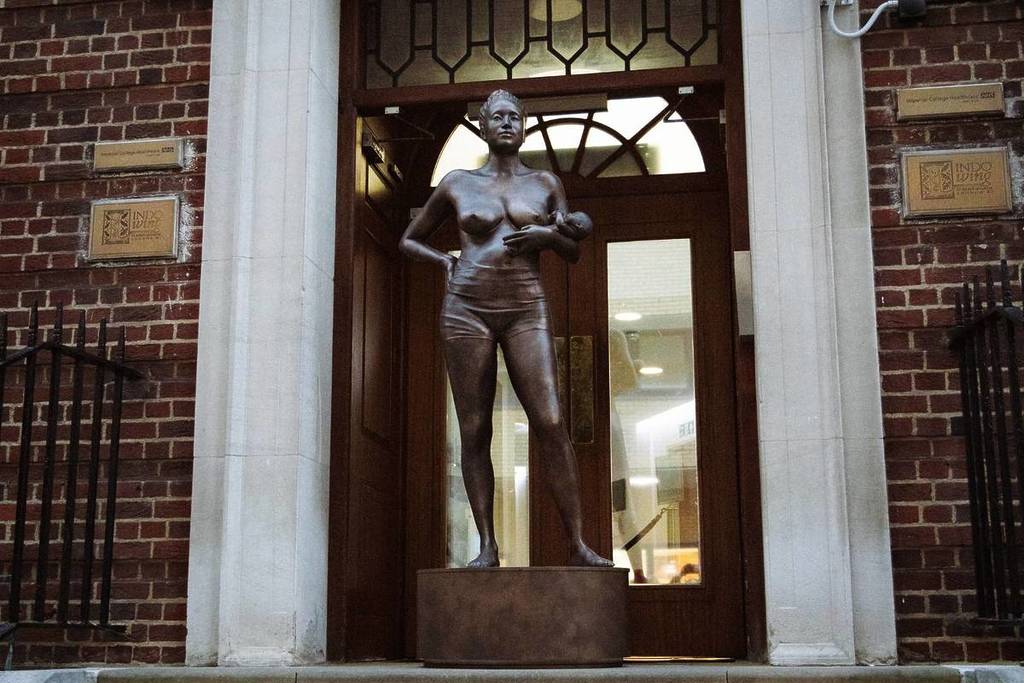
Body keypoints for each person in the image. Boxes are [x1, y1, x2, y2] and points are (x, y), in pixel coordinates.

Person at [399, 89, 612, 568]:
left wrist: (547, 237)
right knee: (474, 428)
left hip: (525, 305)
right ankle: (488, 546)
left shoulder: (544, 182)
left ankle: (577, 544)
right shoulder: (457, 183)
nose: (507, 123)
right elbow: (409, 240)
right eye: (497, 117)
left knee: (551, 420)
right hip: (466, 308)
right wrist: (443, 262)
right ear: (482, 127)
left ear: (525, 125)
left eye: (514, 117)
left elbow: (574, 249)